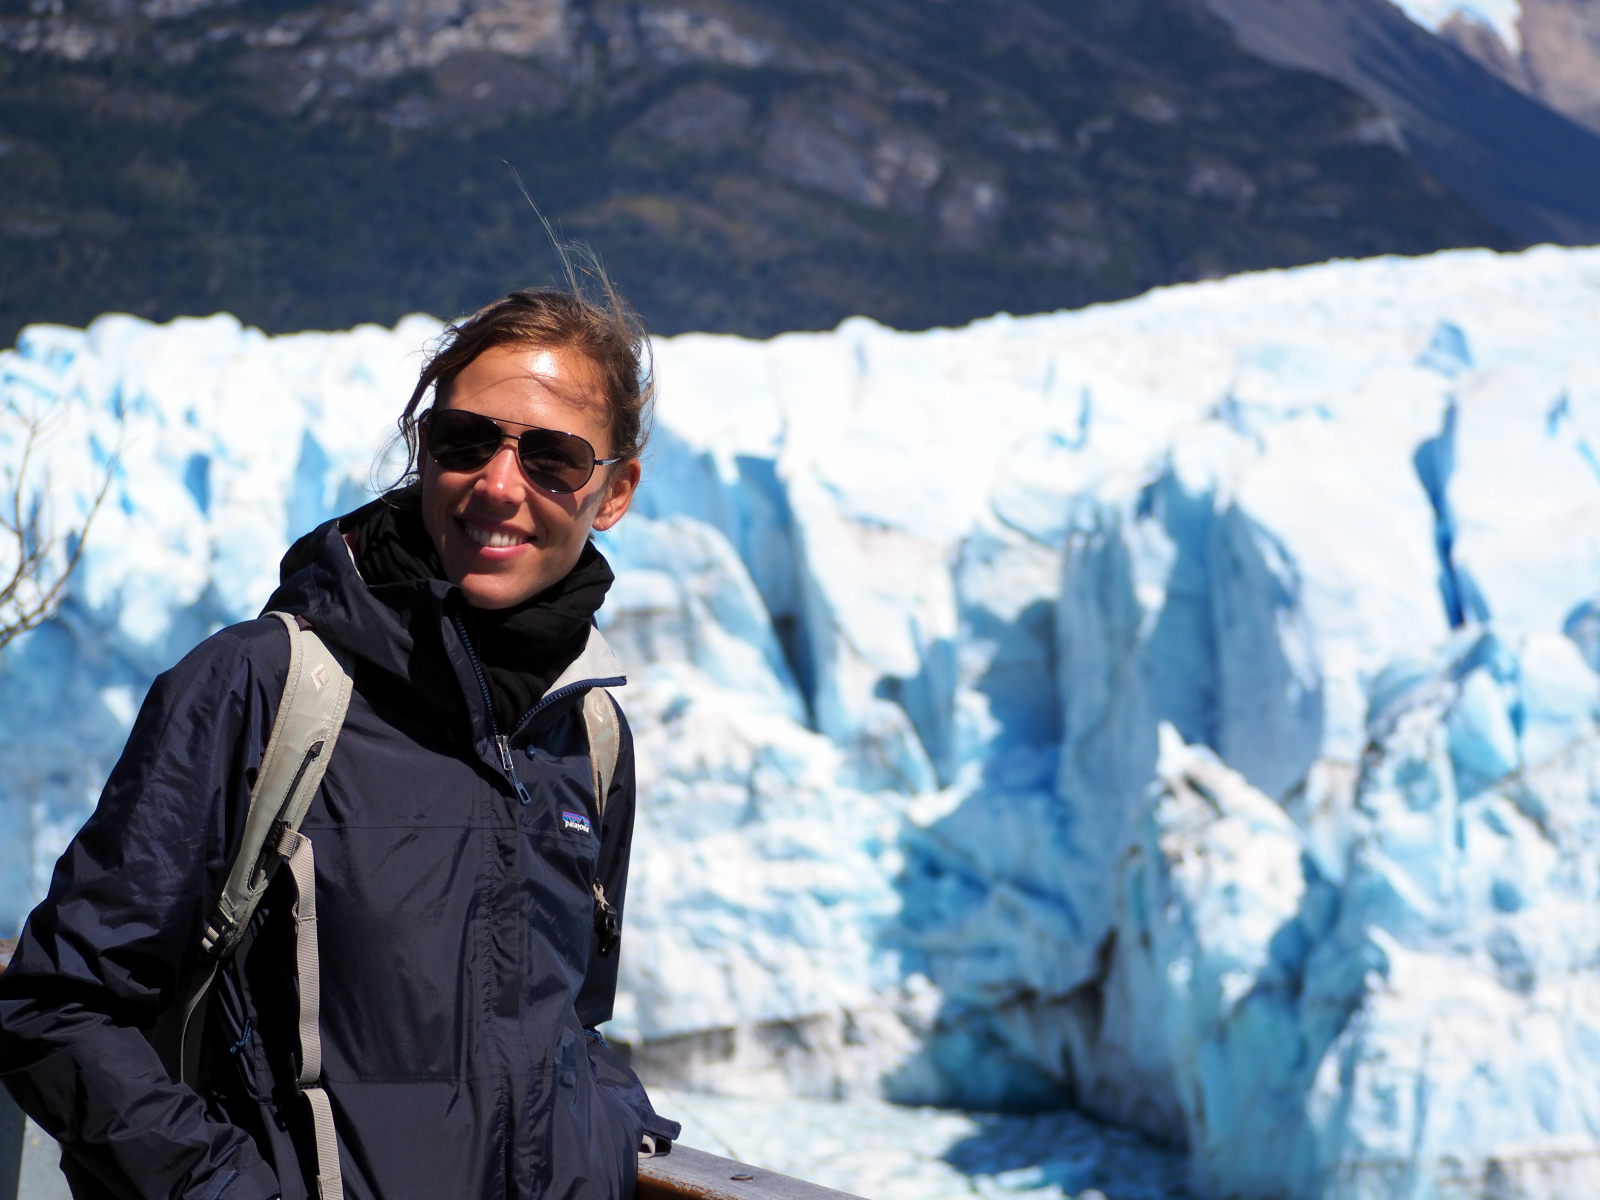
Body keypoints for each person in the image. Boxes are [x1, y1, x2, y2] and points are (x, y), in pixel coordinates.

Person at [0, 283, 680, 1199]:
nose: (498, 484)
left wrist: (603, 1129)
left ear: (615, 491)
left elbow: (570, 1023)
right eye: (465, 441)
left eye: (552, 458)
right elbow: (57, 1006)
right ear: (423, 449)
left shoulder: (587, 734)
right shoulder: (262, 688)